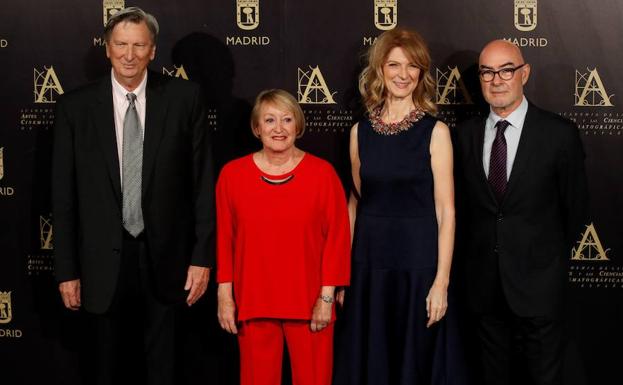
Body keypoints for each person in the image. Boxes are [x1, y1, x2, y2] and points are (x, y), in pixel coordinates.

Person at [52, 7, 214, 385]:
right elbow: (63, 198)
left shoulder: (184, 98)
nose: (129, 54)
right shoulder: (75, 107)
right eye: (121, 45)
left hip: (167, 259)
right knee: (104, 369)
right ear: (107, 48)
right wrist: (67, 270)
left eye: (139, 45)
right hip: (99, 263)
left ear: (153, 50)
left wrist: (202, 257)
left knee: (165, 368)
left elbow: (202, 183)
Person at [454, 40, 588, 385]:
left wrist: (544, 262)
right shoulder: (463, 136)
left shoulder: (559, 134)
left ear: (524, 73)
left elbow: (575, 209)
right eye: (487, 72)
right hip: (483, 287)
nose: (496, 80)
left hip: (539, 286)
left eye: (506, 70)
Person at [333, 27, 463, 385]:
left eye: (412, 66)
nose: (403, 75)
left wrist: (441, 282)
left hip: (417, 265)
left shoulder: (435, 132)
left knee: (414, 361)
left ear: (421, 73)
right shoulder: (360, 132)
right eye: (394, 65)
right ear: (379, 70)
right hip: (369, 264)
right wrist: (342, 274)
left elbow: (446, 211)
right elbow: (356, 203)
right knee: (372, 359)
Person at [216, 89, 350, 385]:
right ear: (256, 128)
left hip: (310, 301)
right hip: (254, 300)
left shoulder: (323, 174)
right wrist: (225, 296)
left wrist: (326, 297)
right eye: (270, 120)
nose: (279, 129)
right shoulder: (232, 176)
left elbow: (338, 240)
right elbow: (225, 240)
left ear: (298, 126)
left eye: (287, 120)